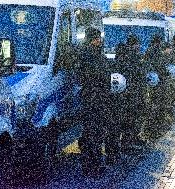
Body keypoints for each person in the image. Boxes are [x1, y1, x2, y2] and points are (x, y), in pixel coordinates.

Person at [75, 27, 112, 178]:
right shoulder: (89, 55)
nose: (100, 41)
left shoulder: (93, 54)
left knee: (94, 133)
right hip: (93, 99)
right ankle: (91, 167)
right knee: (93, 134)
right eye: (98, 38)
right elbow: (94, 76)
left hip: (95, 98)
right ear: (92, 39)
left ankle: (93, 165)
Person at [119, 35, 147, 153]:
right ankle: (128, 143)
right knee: (131, 118)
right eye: (137, 44)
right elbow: (136, 74)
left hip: (131, 92)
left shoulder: (126, 56)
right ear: (133, 45)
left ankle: (131, 140)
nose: (139, 46)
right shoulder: (131, 57)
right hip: (132, 92)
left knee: (132, 117)